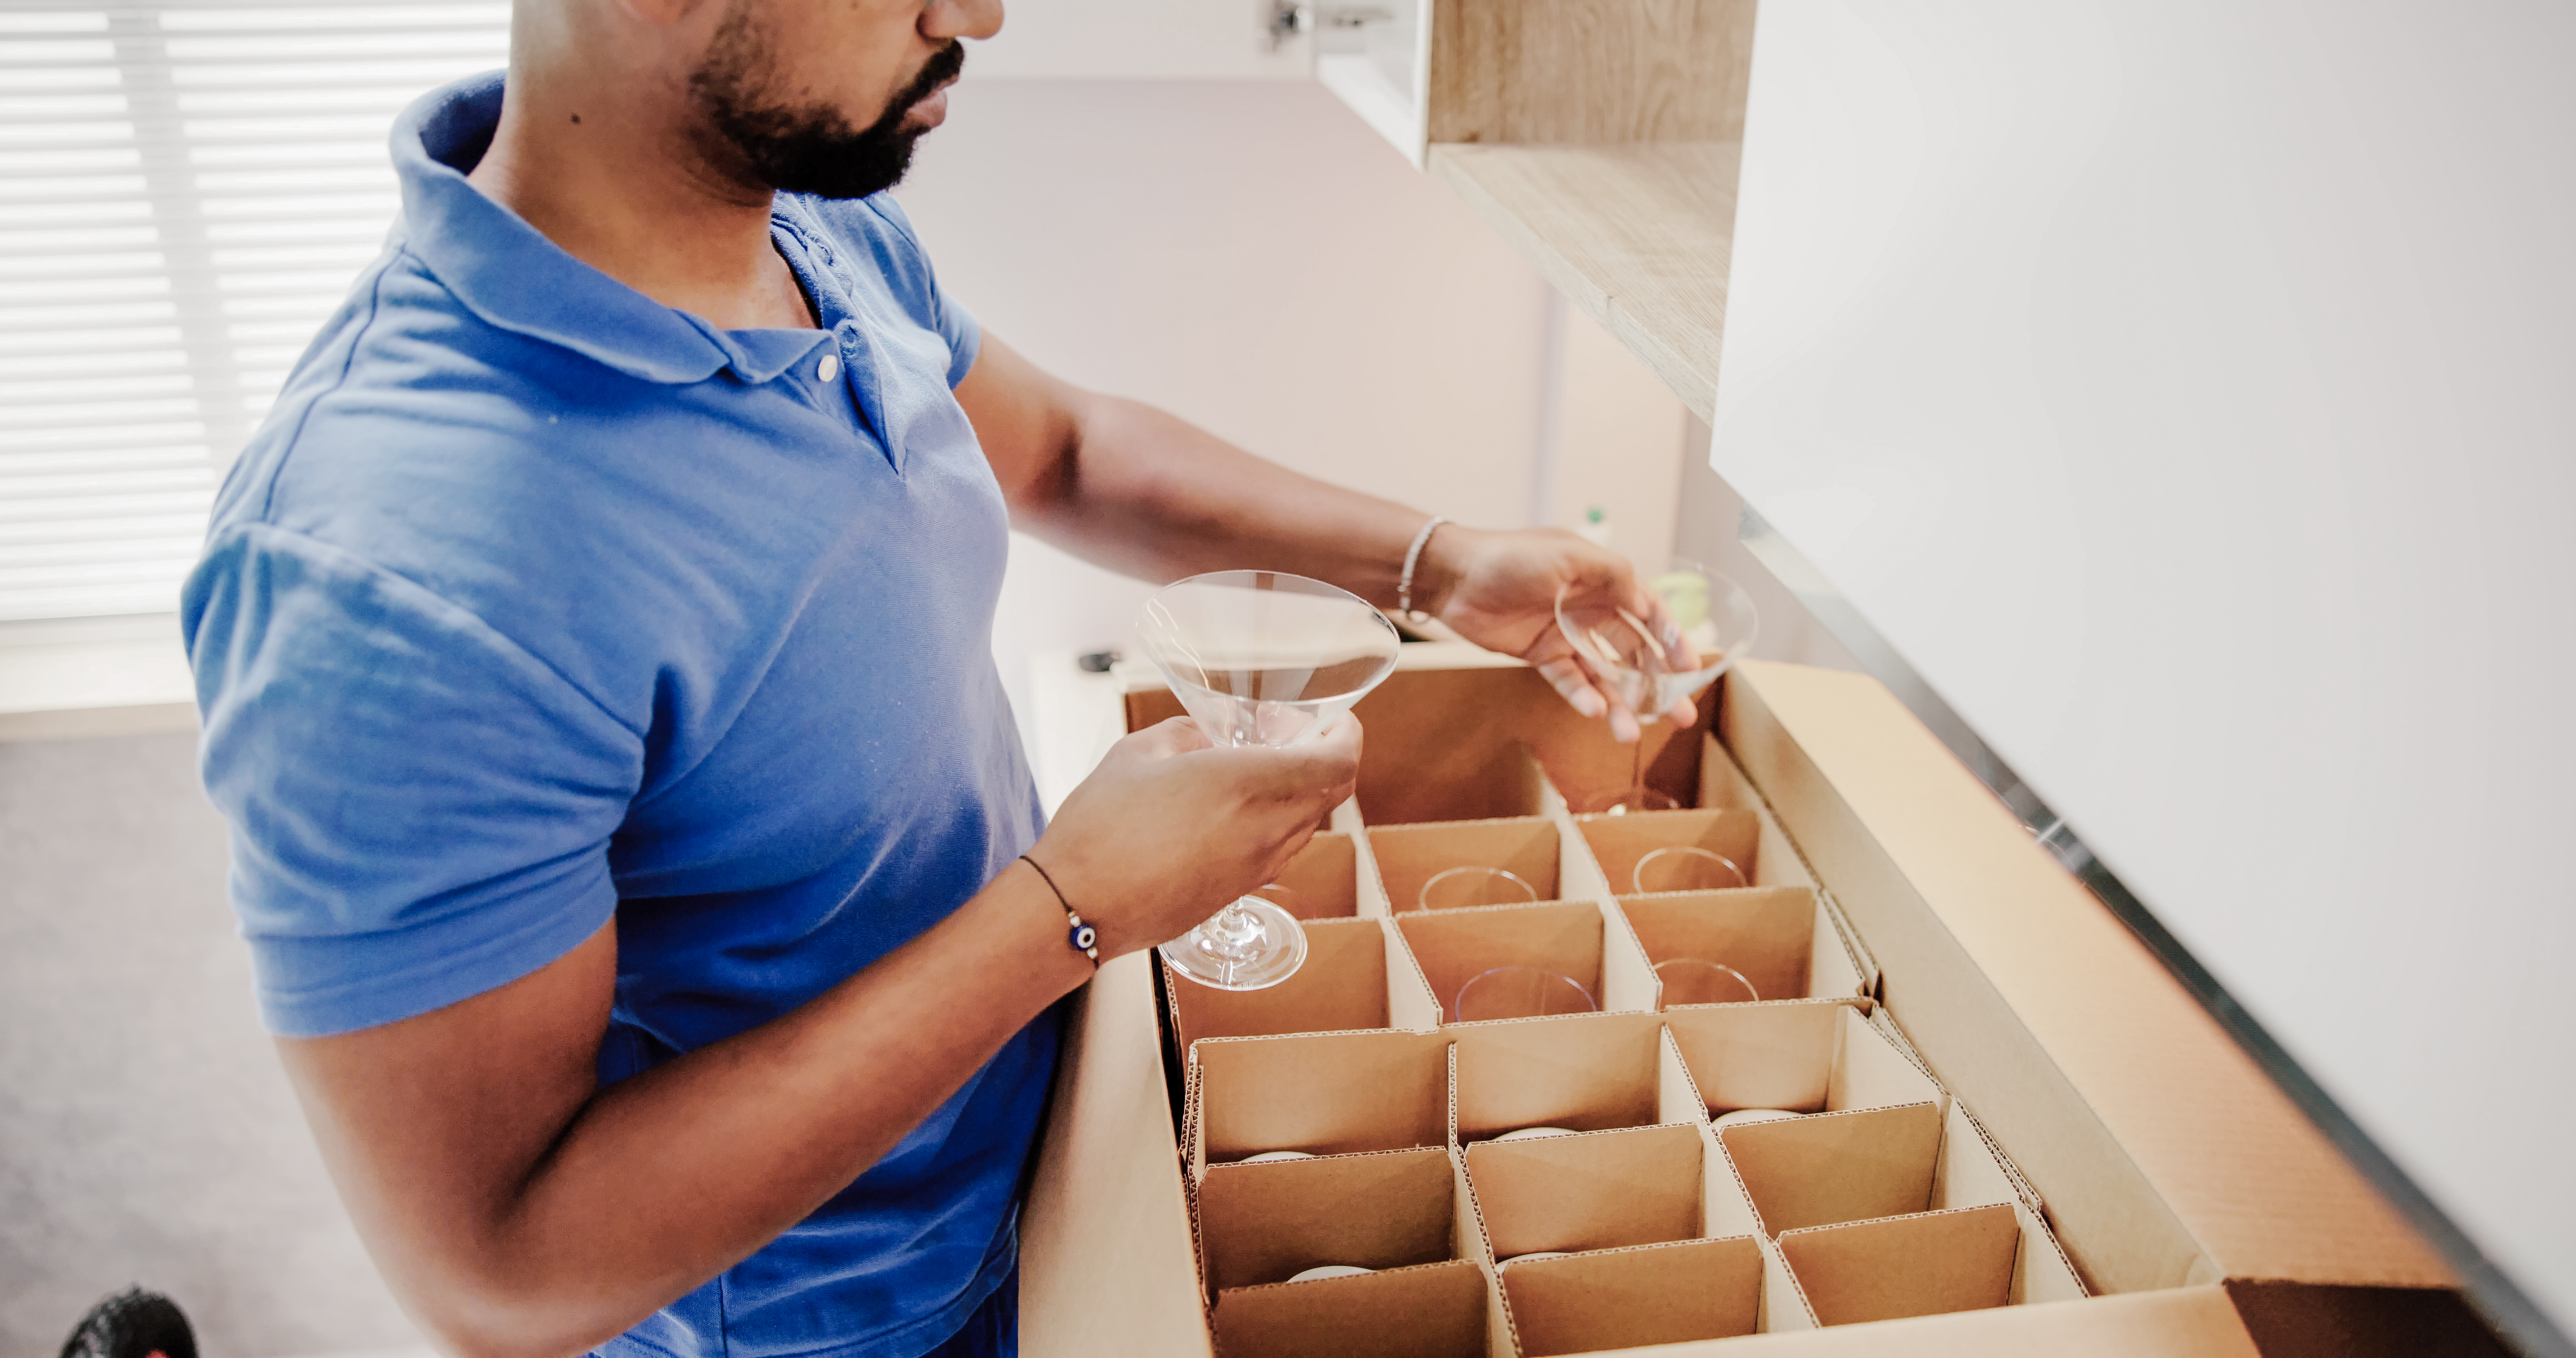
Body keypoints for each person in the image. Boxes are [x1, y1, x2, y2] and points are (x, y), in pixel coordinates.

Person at [179, 2, 1690, 1356]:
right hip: (836, 1317)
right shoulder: (385, 580)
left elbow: (1063, 449)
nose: (980, 14)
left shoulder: (797, 232)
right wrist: (1069, 907)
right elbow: (502, 1274)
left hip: (1037, 1136)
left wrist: (1433, 561)